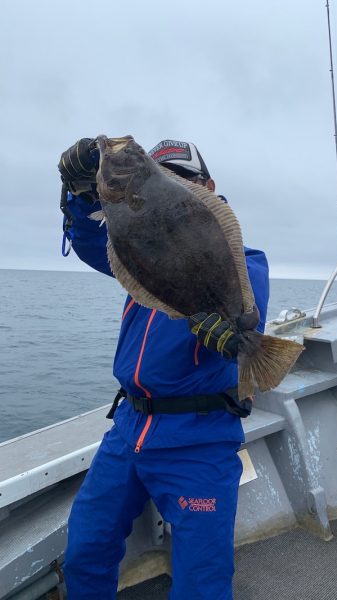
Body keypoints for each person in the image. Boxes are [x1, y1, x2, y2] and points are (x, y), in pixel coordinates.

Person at [58, 137, 269, 599]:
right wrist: (78, 191)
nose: (174, 186)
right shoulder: (137, 248)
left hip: (199, 440)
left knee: (202, 582)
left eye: (186, 179)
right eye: (163, 177)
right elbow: (96, 240)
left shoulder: (244, 264)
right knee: (85, 550)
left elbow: (251, 309)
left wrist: (237, 333)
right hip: (127, 429)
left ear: (208, 186)